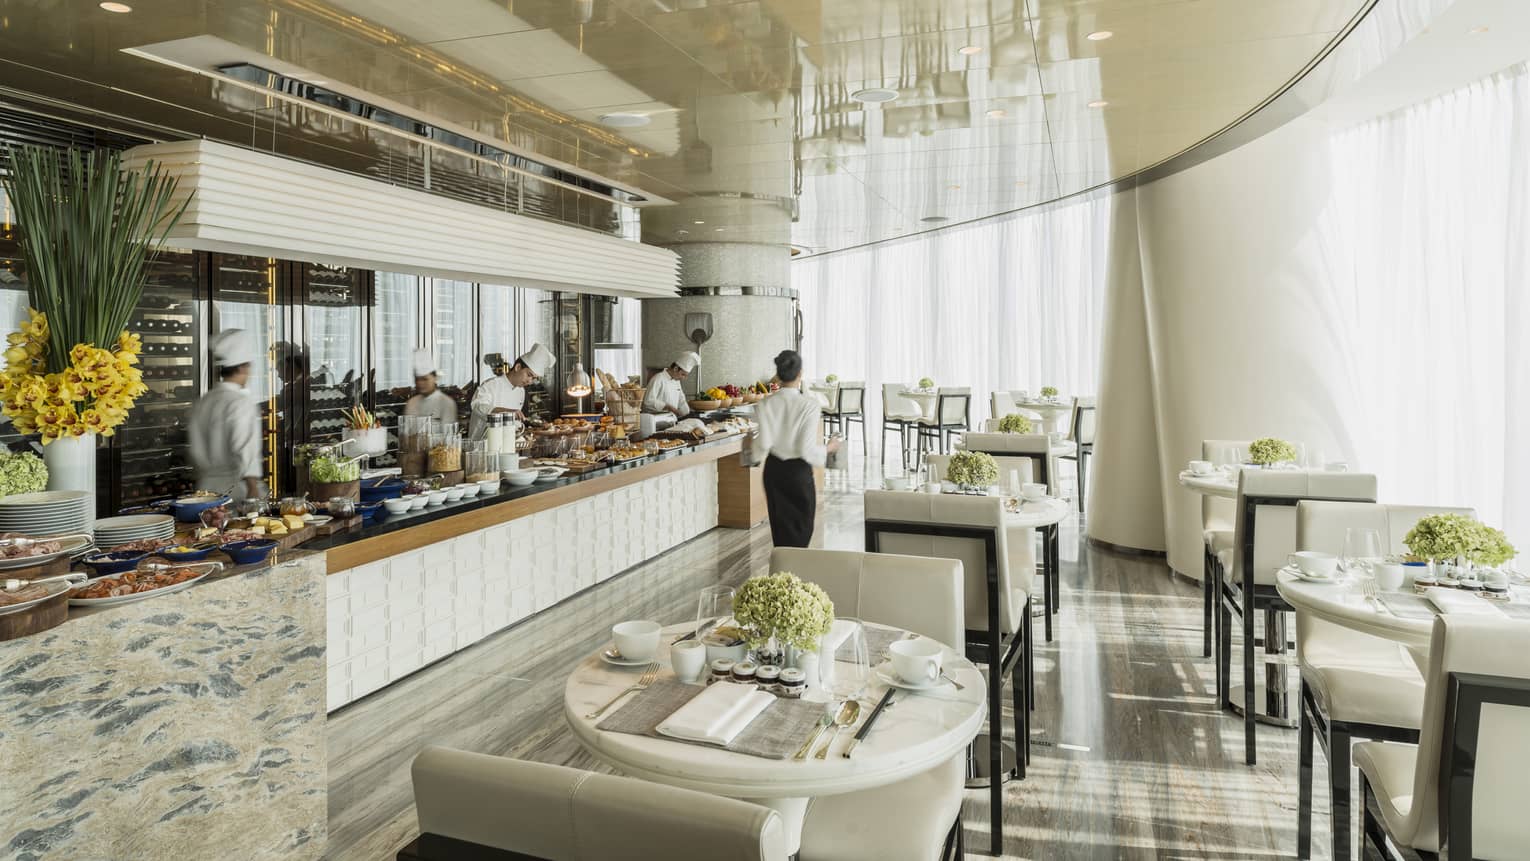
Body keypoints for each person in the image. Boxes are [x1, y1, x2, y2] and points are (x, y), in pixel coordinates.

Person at [749, 349, 840, 547]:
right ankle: (794, 575)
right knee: (801, 532)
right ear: (800, 374)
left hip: (773, 471)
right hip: (798, 473)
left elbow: (762, 444)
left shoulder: (765, 404)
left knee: (780, 533)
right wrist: (829, 448)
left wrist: (752, 458)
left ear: (779, 374)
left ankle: (782, 574)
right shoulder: (809, 405)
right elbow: (806, 449)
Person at [188, 329, 265, 502]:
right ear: (241, 367)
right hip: (236, 490)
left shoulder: (203, 401)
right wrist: (253, 489)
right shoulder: (240, 402)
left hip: (205, 490)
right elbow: (244, 449)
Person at [469, 343, 554, 440]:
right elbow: (477, 406)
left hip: (506, 448)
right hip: (481, 448)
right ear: (518, 367)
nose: (530, 381)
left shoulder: (520, 391)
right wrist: (507, 412)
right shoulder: (490, 386)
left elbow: (514, 423)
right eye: (529, 375)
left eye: (533, 378)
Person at [403, 349, 459, 429]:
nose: (420, 383)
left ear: (434, 378)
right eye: (417, 379)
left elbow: (448, 437)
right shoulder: (411, 403)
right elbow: (406, 435)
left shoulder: (447, 403)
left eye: (424, 379)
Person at [642, 351, 700, 420]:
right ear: (675, 369)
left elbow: (681, 400)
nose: (683, 378)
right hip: (657, 420)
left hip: (672, 420)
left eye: (685, 375)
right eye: (683, 374)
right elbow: (648, 401)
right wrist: (667, 407)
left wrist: (687, 414)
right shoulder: (658, 378)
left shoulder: (676, 381)